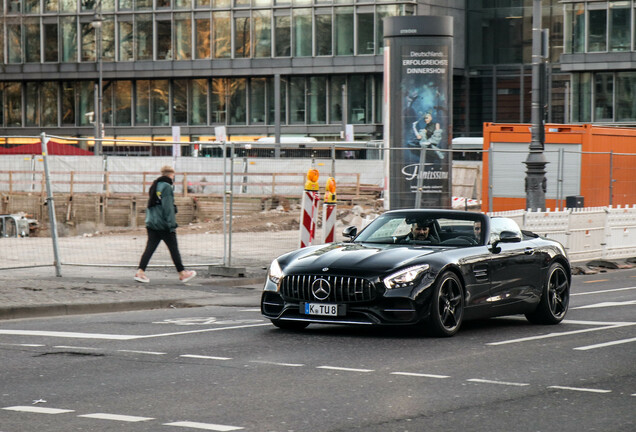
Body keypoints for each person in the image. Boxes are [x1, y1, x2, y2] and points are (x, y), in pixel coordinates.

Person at [134, 165, 196, 284]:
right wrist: (171, 224)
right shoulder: (167, 187)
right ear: (171, 175)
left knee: (150, 248)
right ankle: (182, 273)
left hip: (152, 222)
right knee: (173, 248)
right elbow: (167, 208)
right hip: (163, 224)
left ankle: (140, 272)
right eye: (173, 176)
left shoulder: (155, 185)